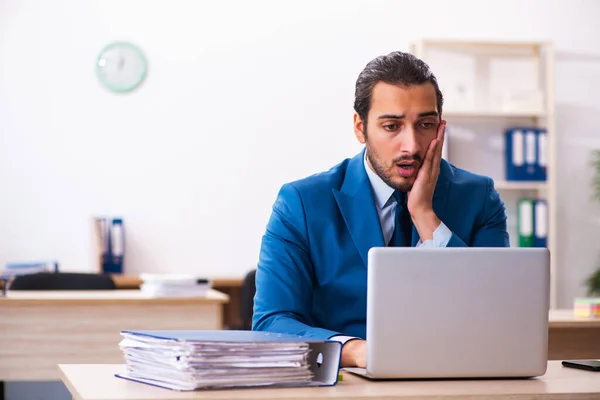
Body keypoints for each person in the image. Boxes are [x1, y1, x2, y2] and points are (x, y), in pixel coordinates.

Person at [252, 51, 510, 368]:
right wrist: (358, 351)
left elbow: (496, 315)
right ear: (360, 128)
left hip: (452, 376)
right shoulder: (302, 203)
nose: (412, 146)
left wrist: (426, 217)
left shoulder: (479, 197)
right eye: (392, 126)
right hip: (348, 384)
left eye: (425, 124)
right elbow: (271, 324)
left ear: (441, 128)